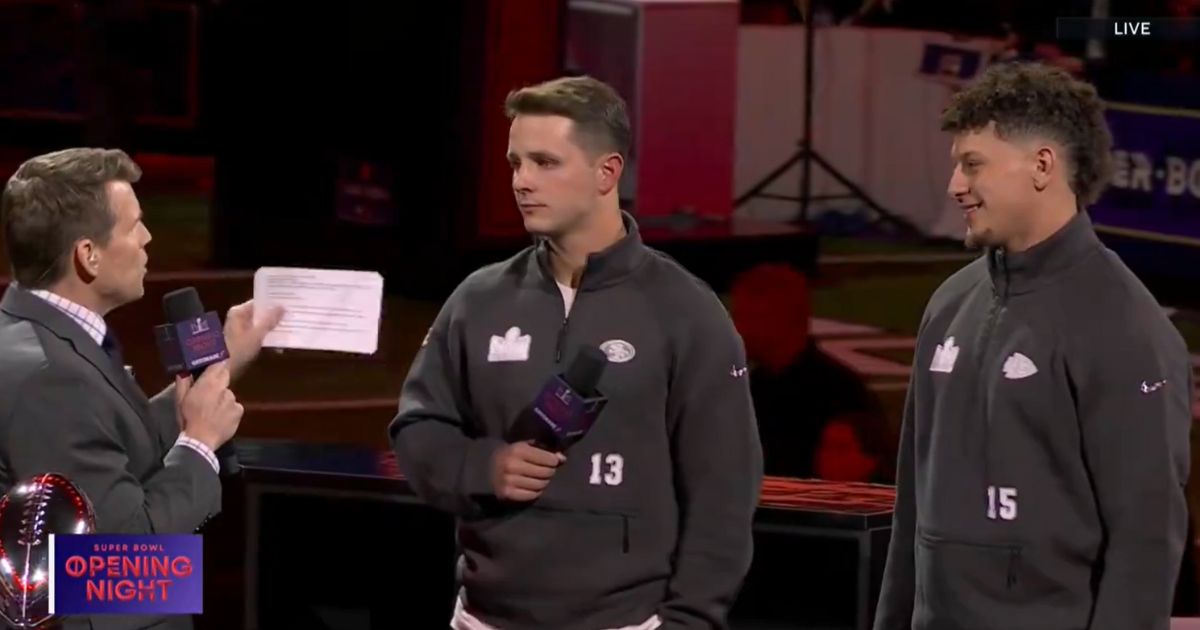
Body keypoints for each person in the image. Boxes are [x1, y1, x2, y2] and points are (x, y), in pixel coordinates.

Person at [390, 76, 763, 630]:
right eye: (516, 163)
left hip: (627, 620)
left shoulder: (685, 309)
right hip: (484, 618)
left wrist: (691, 620)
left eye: (545, 162)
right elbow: (418, 428)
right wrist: (484, 466)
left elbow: (724, 490)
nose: (522, 182)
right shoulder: (479, 299)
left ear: (606, 173)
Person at [874, 61, 1194, 629]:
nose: (954, 186)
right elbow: (911, 512)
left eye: (973, 165)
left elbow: (1146, 540)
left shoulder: (1125, 325)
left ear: (1042, 165)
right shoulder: (949, 303)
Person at [0, 148, 282, 629]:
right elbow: (121, 558)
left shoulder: (38, 335)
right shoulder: (51, 377)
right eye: (134, 227)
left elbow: (106, 443)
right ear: (87, 254)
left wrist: (222, 364)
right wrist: (200, 444)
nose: (149, 238)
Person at [728, 262, 893, 482]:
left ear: (779, 320)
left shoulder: (839, 393)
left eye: (745, 317)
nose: (736, 330)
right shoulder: (753, 385)